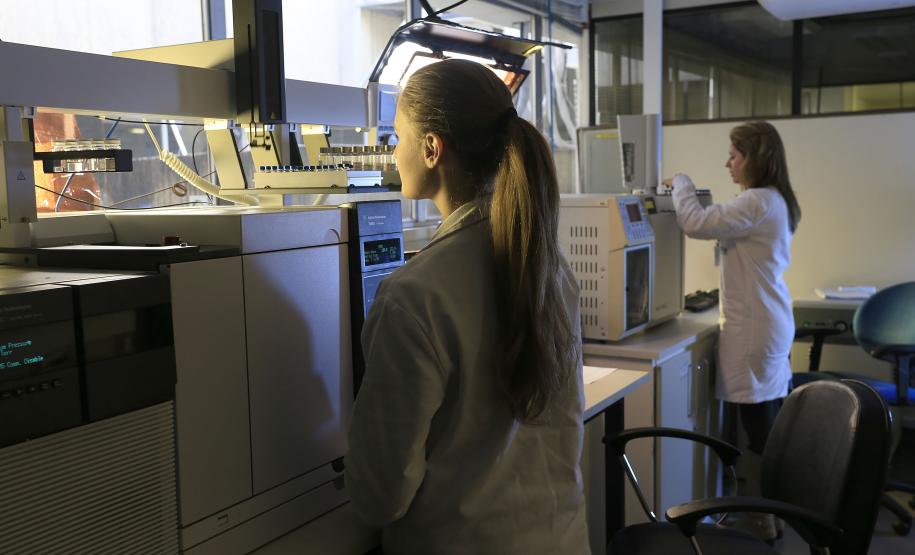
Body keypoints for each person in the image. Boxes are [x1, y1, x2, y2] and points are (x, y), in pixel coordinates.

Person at [344, 59, 589, 555]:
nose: (394, 155)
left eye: (398, 138)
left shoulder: (413, 296)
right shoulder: (550, 268)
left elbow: (380, 499)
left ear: (432, 148)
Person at [666, 120, 801, 540]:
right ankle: (769, 510)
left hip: (755, 329)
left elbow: (695, 222)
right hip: (768, 322)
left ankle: (764, 519)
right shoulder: (770, 200)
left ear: (755, 158)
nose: (728, 162)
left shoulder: (758, 201)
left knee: (759, 427)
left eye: (734, 155)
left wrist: (682, 183)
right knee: (765, 422)